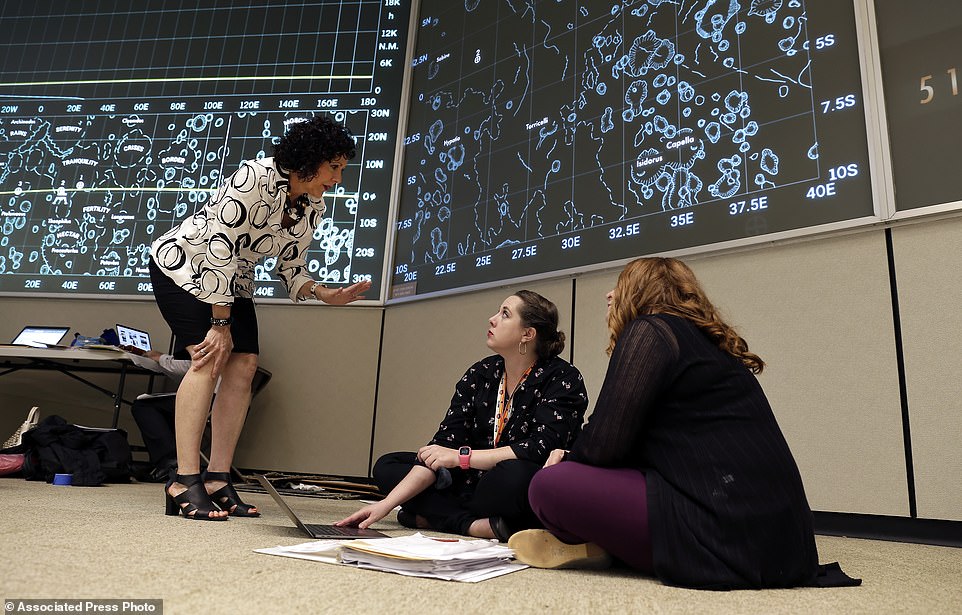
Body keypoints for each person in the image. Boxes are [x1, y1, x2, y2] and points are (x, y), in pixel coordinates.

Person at [509, 257, 857, 589]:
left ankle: (604, 544)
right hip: (779, 536)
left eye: (620, 285)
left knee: (548, 486)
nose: (609, 295)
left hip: (725, 526)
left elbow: (605, 443)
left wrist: (567, 460)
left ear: (640, 293)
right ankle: (606, 544)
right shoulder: (704, 341)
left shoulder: (650, 330)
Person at [150, 115, 371, 521]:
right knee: (208, 358)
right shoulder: (254, 178)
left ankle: (216, 477)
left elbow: (291, 266)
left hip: (232, 278)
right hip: (183, 267)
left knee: (245, 365)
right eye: (334, 167)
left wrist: (325, 294)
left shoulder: (311, 204)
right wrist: (220, 324)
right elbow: (219, 242)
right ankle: (183, 479)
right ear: (310, 160)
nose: (338, 179)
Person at [336, 290, 589, 541]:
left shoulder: (563, 378)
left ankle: (431, 516)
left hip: (511, 481)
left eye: (505, 314)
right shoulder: (481, 372)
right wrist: (386, 506)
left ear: (528, 333)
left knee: (513, 479)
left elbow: (538, 449)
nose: (492, 319)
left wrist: (461, 459)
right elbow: (445, 443)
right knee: (388, 466)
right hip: (469, 481)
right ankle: (478, 525)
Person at [123, 347, 190, 483]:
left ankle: (170, 462)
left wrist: (160, 358)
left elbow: (192, 366)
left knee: (142, 406)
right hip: (224, 399)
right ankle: (170, 461)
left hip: (210, 398)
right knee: (162, 407)